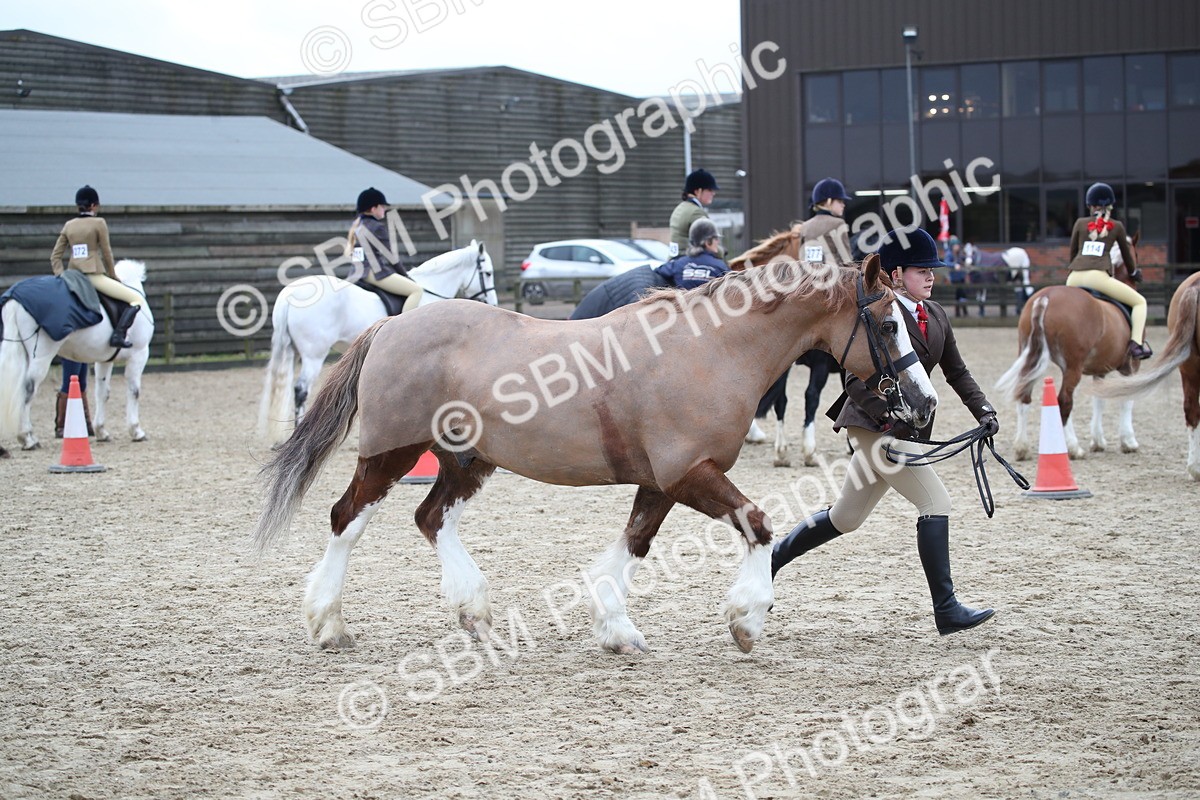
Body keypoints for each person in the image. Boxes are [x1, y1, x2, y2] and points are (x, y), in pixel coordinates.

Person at [771, 227, 1001, 636]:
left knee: (846, 517)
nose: (930, 276)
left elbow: (957, 373)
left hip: (906, 428)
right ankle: (946, 609)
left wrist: (983, 411)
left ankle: (768, 562)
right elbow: (856, 379)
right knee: (936, 501)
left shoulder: (938, 317)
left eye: (932, 270)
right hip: (872, 425)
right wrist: (891, 414)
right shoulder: (876, 315)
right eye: (921, 270)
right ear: (895, 274)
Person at [51, 186, 143, 348]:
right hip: (93, 277)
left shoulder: (69, 225)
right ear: (93, 206)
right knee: (136, 299)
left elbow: (55, 256)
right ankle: (118, 335)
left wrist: (61, 276)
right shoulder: (99, 223)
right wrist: (113, 276)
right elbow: (107, 253)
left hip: (72, 276)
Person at [1066, 182, 1150, 360]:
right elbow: (1127, 257)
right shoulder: (1117, 226)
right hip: (1097, 277)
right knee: (1140, 302)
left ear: (1090, 206)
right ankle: (1136, 345)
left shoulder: (1080, 223)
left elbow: (1072, 253)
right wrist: (1134, 273)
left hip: (1073, 278)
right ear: (1110, 206)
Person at [346, 187, 423, 313]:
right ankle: (402, 327)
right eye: (382, 206)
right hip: (374, 272)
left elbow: (357, 256)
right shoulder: (377, 227)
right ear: (373, 209)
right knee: (417, 290)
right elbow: (391, 257)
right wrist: (405, 275)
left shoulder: (357, 226)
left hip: (356, 272)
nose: (384, 209)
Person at [655, 218, 729, 289]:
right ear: (707, 242)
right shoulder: (721, 268)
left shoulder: (678, 264)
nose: (718, 242)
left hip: (683, 301)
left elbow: (655, 272)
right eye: (716, 238)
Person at [669, 169, 719, 257]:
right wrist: (722, 253)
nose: (713, 193)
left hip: (674, 260)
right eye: (710, 189)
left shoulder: (680, 208)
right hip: (690, 260)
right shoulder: (696, 212)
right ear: (698, 191)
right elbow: (710, 244)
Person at [54, 360, 93, 438]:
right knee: (69, 383)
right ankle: (61, 425)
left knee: (82, 384)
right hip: (71, 350)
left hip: (82, 350)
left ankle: (86, 423)